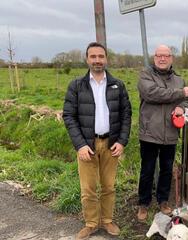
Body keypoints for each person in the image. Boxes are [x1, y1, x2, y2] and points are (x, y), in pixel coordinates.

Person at [63, 42, 132, 240]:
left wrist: (122, 141)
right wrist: (80, 145)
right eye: (93, 57)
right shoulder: (76, 85)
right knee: (88, 189)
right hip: (87, 146)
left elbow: (127, 114)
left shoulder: (117, 84)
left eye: (101, 56)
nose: (97, 60)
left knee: (109, 186)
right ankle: (91, 224)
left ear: (106, 59)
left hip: (111, 145)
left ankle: (107, 221)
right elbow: (69, 116)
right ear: (87, 59)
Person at [136, 44, 188, 221]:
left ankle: (163, 201)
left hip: (170, 132)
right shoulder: (145, 76)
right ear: (154, 58)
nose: (162, 58)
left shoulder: (179, 79)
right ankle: (143, 204)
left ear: (171, 58)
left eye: (166, 56)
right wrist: (179, 93)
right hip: (149, 132)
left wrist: (180, 107)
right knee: (147, 169)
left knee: (167, 169)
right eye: (159, 55)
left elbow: (187, 102)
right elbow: (153, 94)